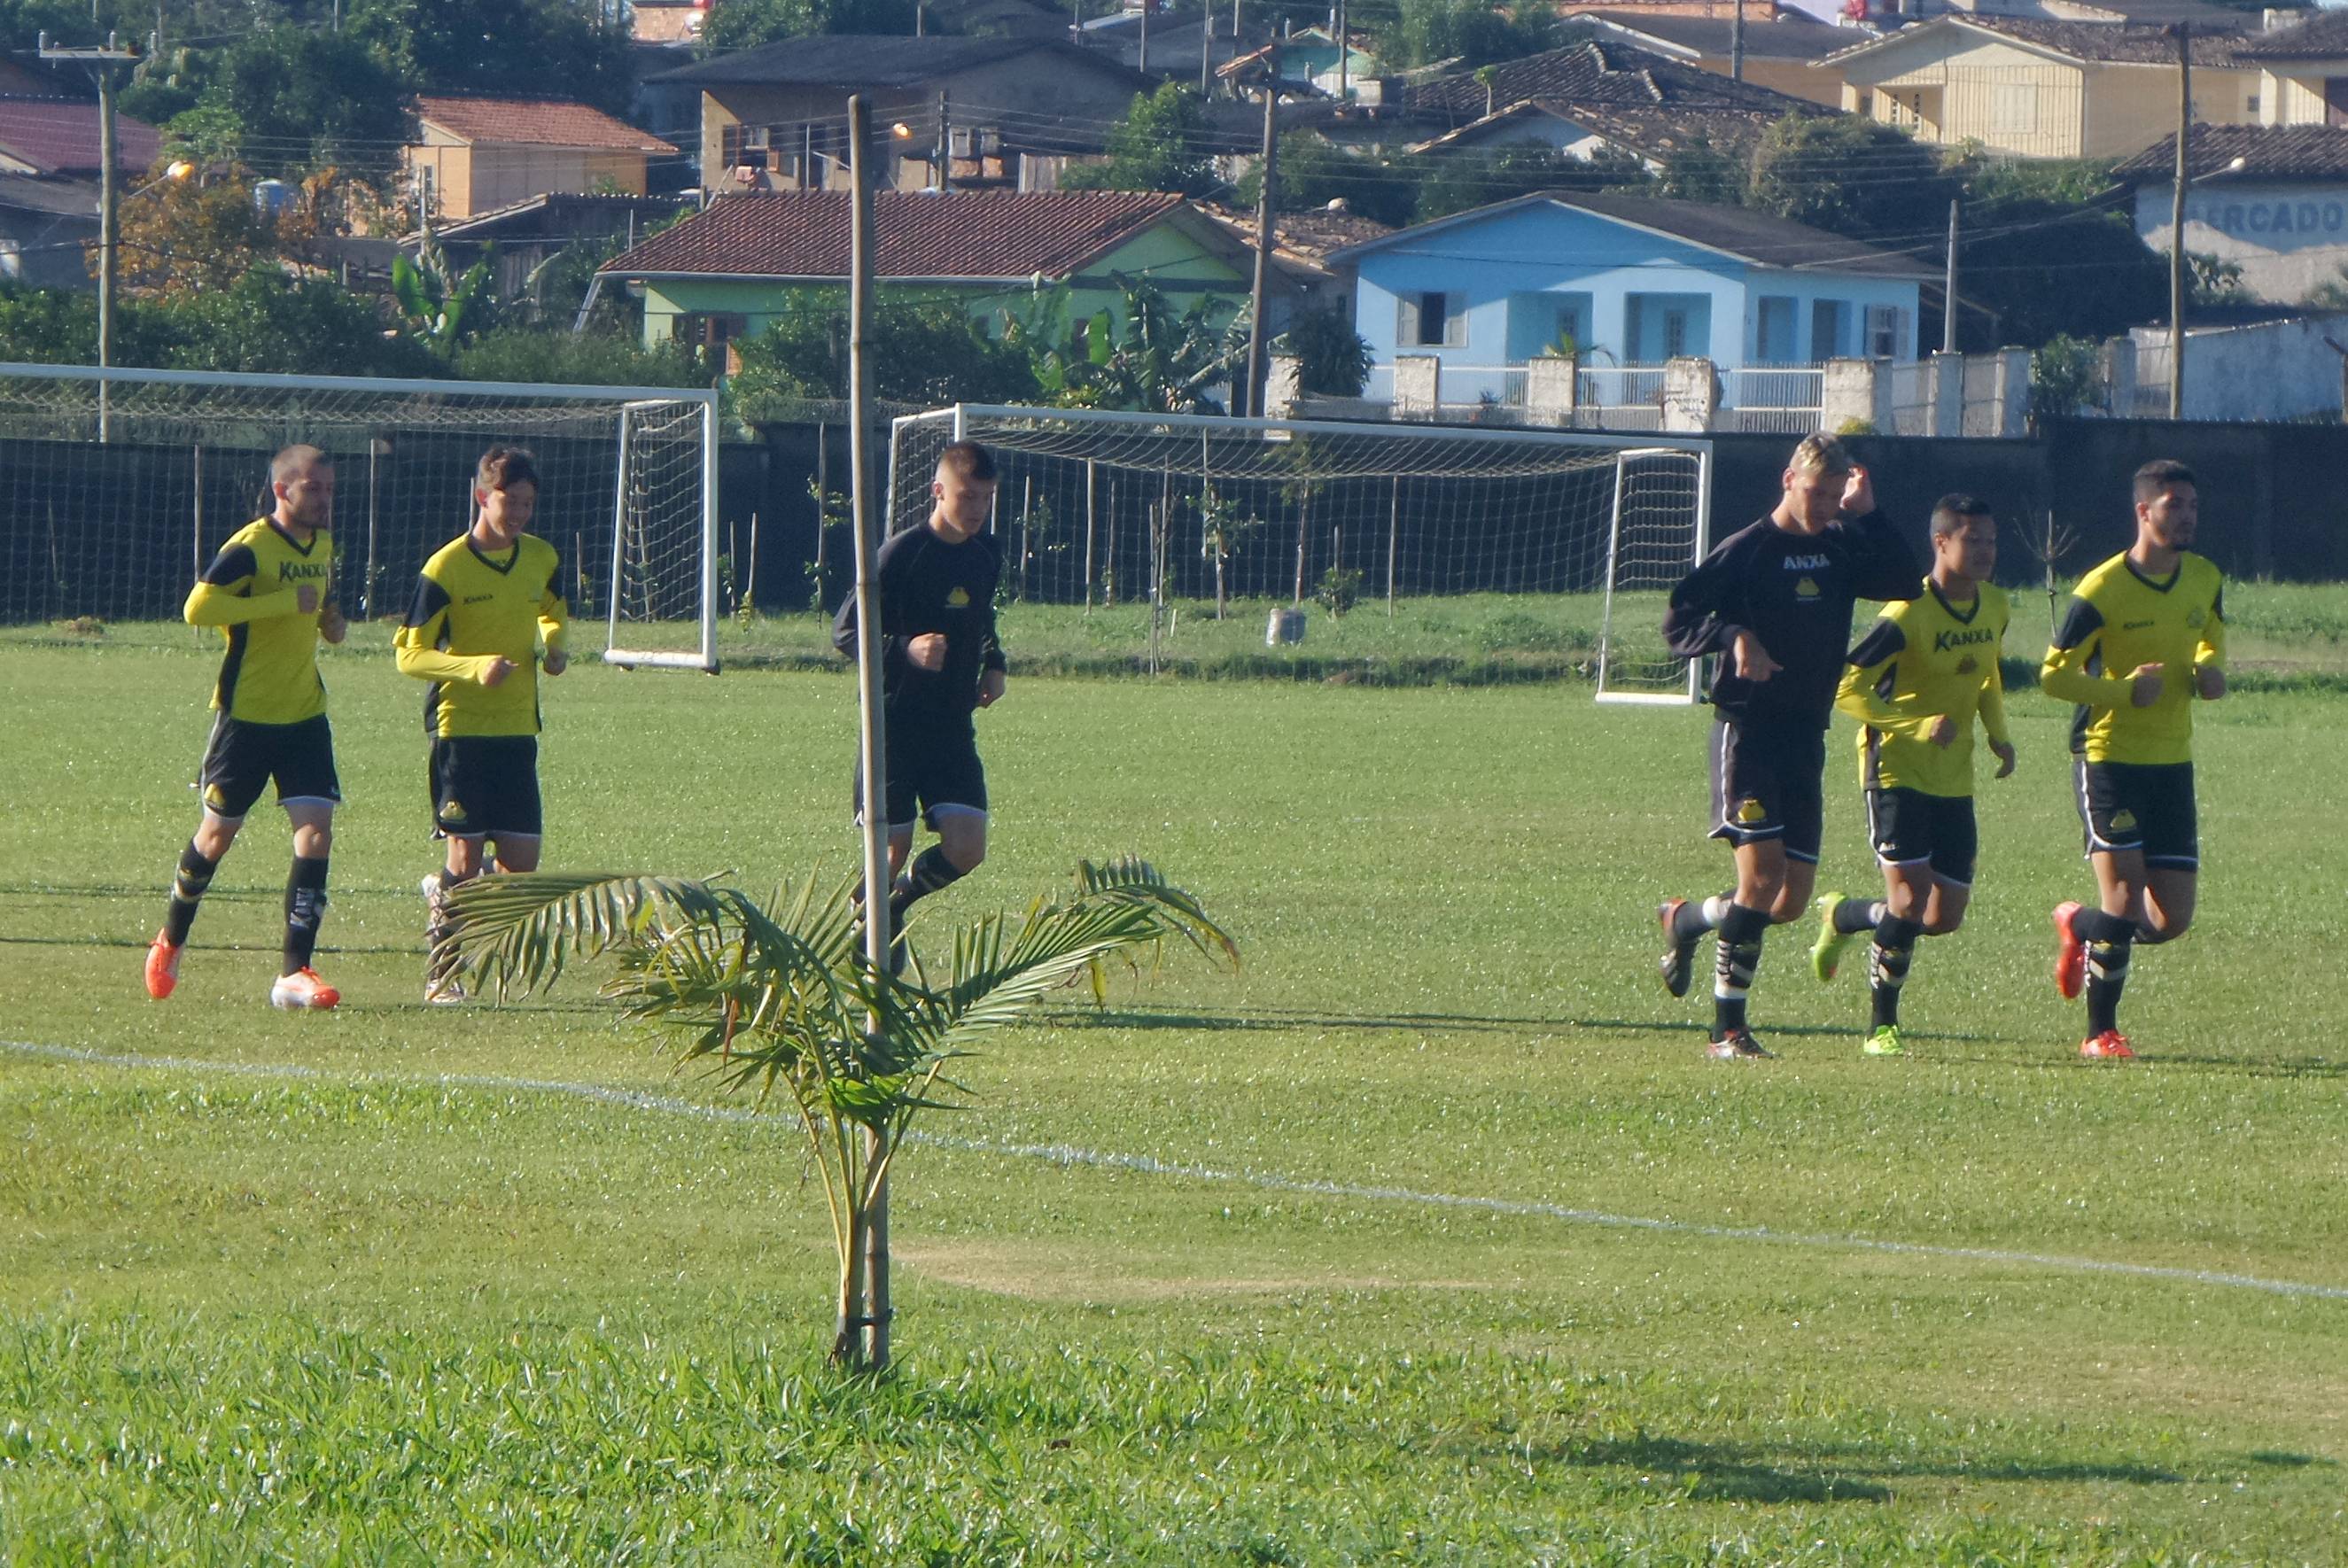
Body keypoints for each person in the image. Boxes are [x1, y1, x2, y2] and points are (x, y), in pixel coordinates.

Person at [1652, 432, 1920, 1060]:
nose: (1825, 505)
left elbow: (1906, 582)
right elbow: (1678, 618)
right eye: (1815, 492)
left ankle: (1686, 920)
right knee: (1762, 877)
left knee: (1789, 902)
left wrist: (1869, 512)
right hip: (1748, 732)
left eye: (1834, 495)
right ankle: (1727, 1030)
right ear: (1787, 480)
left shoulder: (1841, 544)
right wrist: (1734, 635)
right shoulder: (1747, 550)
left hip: (1806, 735)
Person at [1809, 495, 2018, 1057]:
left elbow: (1986, 675)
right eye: (1972, 541)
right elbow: (1846, 688)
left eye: (1991, 542)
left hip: (1954, 776)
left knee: (1941, 917)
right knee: (1907, 902)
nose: (1985, 553)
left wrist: (1998, 732)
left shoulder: (1996, 606)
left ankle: (1846, 914)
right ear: (1941, 543)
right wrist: (1915, 724)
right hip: (1894, 768)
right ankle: (1882, 1026)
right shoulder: (1905, 613)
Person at [144, 444, 347, 1010]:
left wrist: (329, 618)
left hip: (305, 714)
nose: (325, 499)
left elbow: (319, 611)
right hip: (246, 718)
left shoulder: (323, 544)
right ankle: (171, 939)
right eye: (314, 489)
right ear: (283, 490)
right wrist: (284, 601)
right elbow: (197, 609)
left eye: (330, 489)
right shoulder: (250, 546)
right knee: (216, 837)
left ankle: (294, 973)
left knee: (315, 833)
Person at [2041, 459, 2225, 1060]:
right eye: (2176, 505)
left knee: (2170, 920)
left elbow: (2209, 632)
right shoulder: (2099, 591)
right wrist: (2122, 692)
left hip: (2172, 762)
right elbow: (2052, 677)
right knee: (2123, 899)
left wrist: (2209, 669)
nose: (2189, 516)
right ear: (2144, 512)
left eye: (2193, 505)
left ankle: (2080, 927)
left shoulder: (2204, 577)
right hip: (2108, 757)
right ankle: (2101, 1033)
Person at [393, 447, 569, 1004]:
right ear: (481, 496)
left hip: (518, 732)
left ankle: (447, 894)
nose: (518, 513)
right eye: (508, 501)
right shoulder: (444, 569)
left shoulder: (541, 557)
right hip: (460, 732)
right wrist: (471, 668)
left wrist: (555, 645)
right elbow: (409, 655)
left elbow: (552, 608)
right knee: (465, 860)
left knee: (521, 872)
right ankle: (443, 977)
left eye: (526, 504)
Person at [832, 440, 1005, 944]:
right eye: (966, 496)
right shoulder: (900, 554)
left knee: (968, 847)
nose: (975, 509)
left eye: (985, 498)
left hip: (951, 726)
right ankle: (870, 922)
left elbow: (984, 617)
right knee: (892, 850)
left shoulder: (985, 556)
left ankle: (893, 906)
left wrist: (994, 663)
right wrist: (905, 649)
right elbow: (845, 633)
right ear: (938, 491)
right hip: (894, 724)